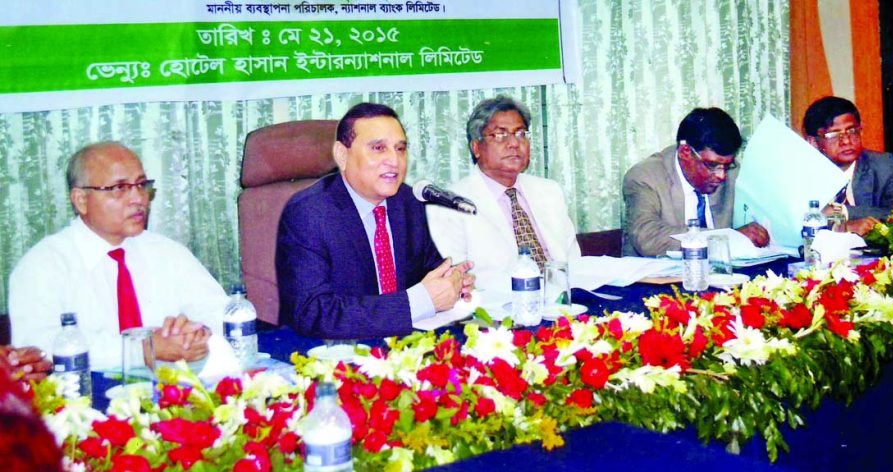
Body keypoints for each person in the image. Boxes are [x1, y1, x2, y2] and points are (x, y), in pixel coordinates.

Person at [9, 142, 228, 371]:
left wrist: (197, 332)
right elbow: (36, 348)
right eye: (119, 188)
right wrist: (142, 350)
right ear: (81, 200)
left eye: (141, 185)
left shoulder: (167, 251)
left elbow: (219, 311)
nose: (139, 199)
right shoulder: (42, 264)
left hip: (169, 393)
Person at [276, 103, 474, 339]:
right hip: (335, 351)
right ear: (342, 155)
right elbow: (314, 313)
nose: (394, 160)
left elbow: (428, 269)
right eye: (378, 148)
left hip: (405, 345)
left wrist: (451, 281)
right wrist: (421, 301)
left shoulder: (407, 202)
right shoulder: (308, 214)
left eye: (400, 149)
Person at [426, 96, 581, 290]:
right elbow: (457, 282)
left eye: (520, 133)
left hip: (564, 303)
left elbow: (574, 263)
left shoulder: (549, 191)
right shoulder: (450, 203)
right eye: (500, 135)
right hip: (497, 311)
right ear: (476, 147)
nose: (514, 143)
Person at [623, 107, 769, 257]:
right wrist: (728, 239)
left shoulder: (732, 173)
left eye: (726, 165)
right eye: (712, 165)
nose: (721, 176)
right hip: (656, 276)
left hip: (720, 275)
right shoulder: (645, 177)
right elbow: (648, 239)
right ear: (685, 152)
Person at [802, 96, 893, 236]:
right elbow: (797, 222)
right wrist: (841, 227)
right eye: (834, 134)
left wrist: (843, 212)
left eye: (852, 131)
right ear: (813, 142)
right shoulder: (802, 173)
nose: (846, 140)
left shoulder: (883, 165)